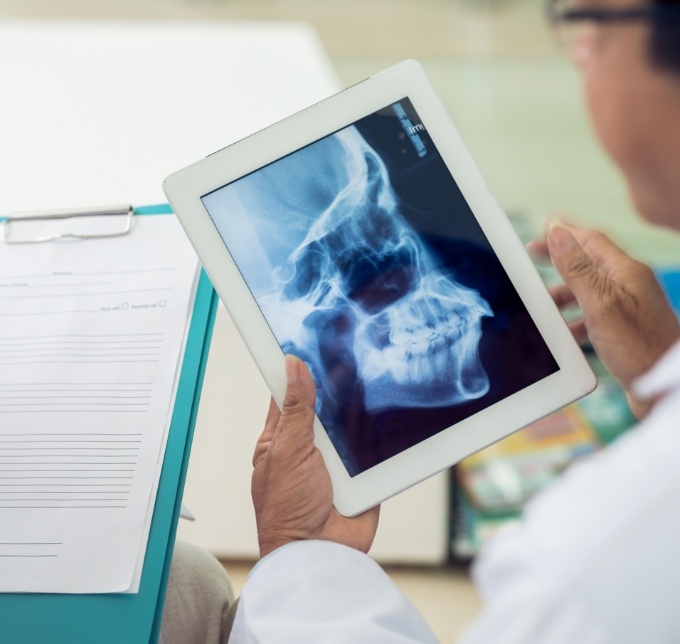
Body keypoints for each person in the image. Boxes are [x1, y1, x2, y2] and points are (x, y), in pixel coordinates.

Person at [164, 0, 680, 641]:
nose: (580, 47)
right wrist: (665, 385)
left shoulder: (590, 569)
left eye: (586, 19)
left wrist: (302, 553)